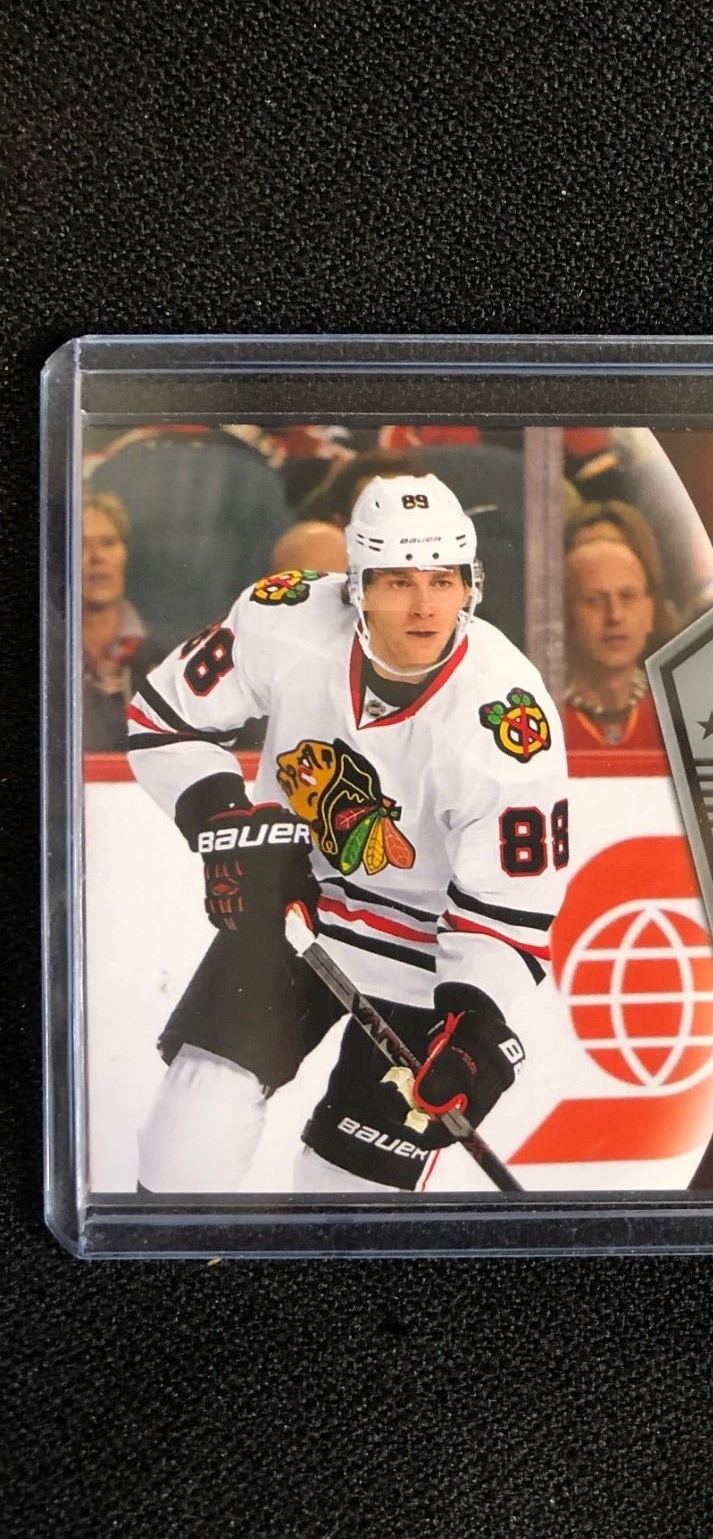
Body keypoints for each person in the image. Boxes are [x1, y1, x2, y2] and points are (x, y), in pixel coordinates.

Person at [127, 473, 570, 1194]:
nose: (425, 606)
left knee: (348, 1199)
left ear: (471, 585)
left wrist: (474, 1025)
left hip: (427, 953)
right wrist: (225, 822)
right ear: (355, 586)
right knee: (189, 1135)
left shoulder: (507, 724)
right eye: (398, 582)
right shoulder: (284, 620)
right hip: (298, 906)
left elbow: (510, 910)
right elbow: (164, 718)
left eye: (444, 580)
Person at [561, 534, 666, 753]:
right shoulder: (541, 711)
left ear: (649, 612)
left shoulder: (678, 713)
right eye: (593, 600)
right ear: (565, 617)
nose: (615, 616)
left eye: (627, 597)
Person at [82, 493, 166, 753]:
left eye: (108, 543)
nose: (97, 557)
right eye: (80, 545)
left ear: (125, 553)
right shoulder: (46, 659)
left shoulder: (166, 660)